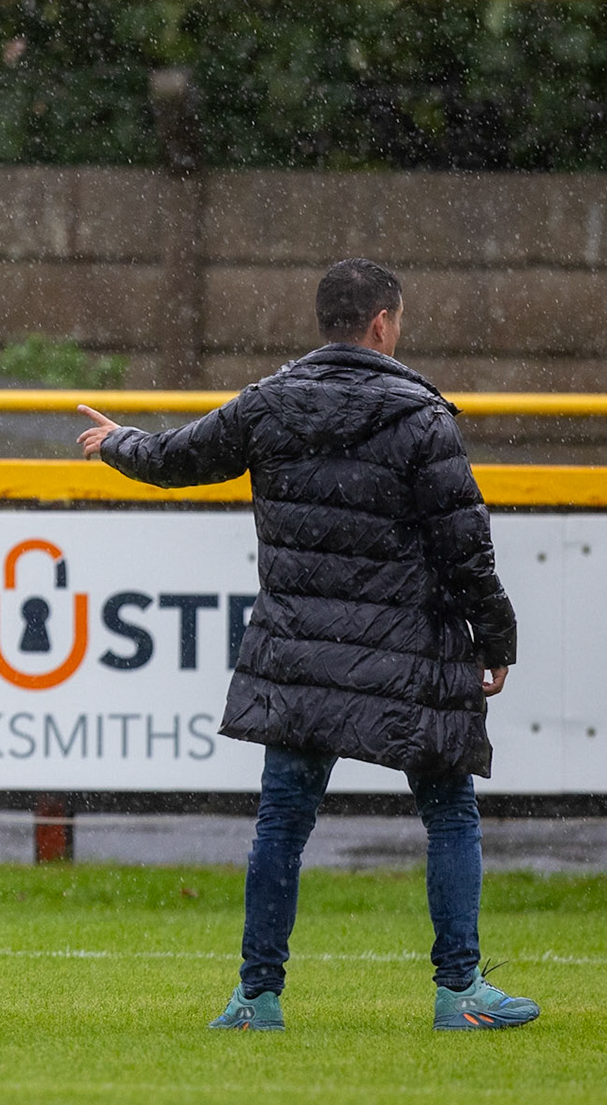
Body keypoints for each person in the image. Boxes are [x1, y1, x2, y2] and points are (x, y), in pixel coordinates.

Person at [75, 257, 538, 1033]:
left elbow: (176, 461)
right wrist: (495, 638)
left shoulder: (269, 403)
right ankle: (459, 993)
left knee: (282, 824)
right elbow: (466, 549)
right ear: (383, 323)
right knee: (449, 812)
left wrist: (119, 441)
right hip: (409, 654)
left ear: (326, 322)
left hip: (299, 654)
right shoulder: (422, 419)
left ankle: (258, 997)